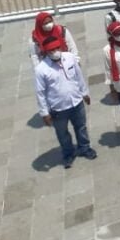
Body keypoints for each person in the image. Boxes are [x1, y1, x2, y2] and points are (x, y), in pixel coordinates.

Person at [34, 34, 96, 168]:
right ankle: (68, 154)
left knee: (81, 127)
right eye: (52, 50)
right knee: (62, 134)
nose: (55, 52)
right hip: (58, 108)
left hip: (76, 102)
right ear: (46, 51)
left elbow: (78, 75)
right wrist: (45, 113)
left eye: (57, 48)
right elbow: (40, 93)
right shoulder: (41, 69)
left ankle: (85, 148)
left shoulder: (69, 58)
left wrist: (85, 93)